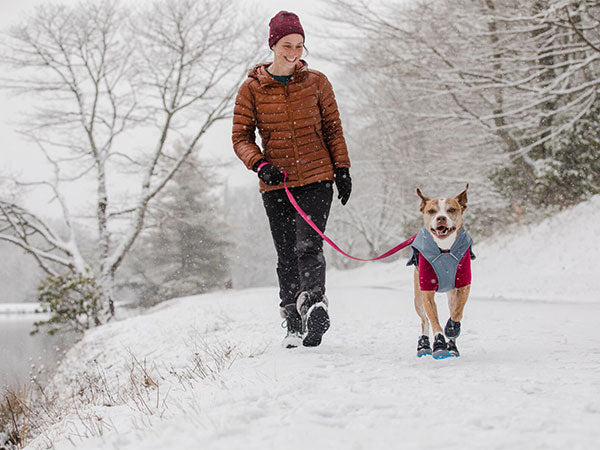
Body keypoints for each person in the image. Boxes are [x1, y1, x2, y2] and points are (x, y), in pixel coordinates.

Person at [232, 11, 352, 348]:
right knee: (286, 252)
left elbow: (333, 129)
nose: (294, 52)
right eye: (287, 45)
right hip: (277, 182)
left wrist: (342, 169)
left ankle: (314, 304)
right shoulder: (252, 90)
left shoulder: (317, 82)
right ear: (273, 45)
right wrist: (260, 164)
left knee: (308, 246)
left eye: (300, 46)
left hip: (316, 177)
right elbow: (241, 138)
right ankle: (293, 319)